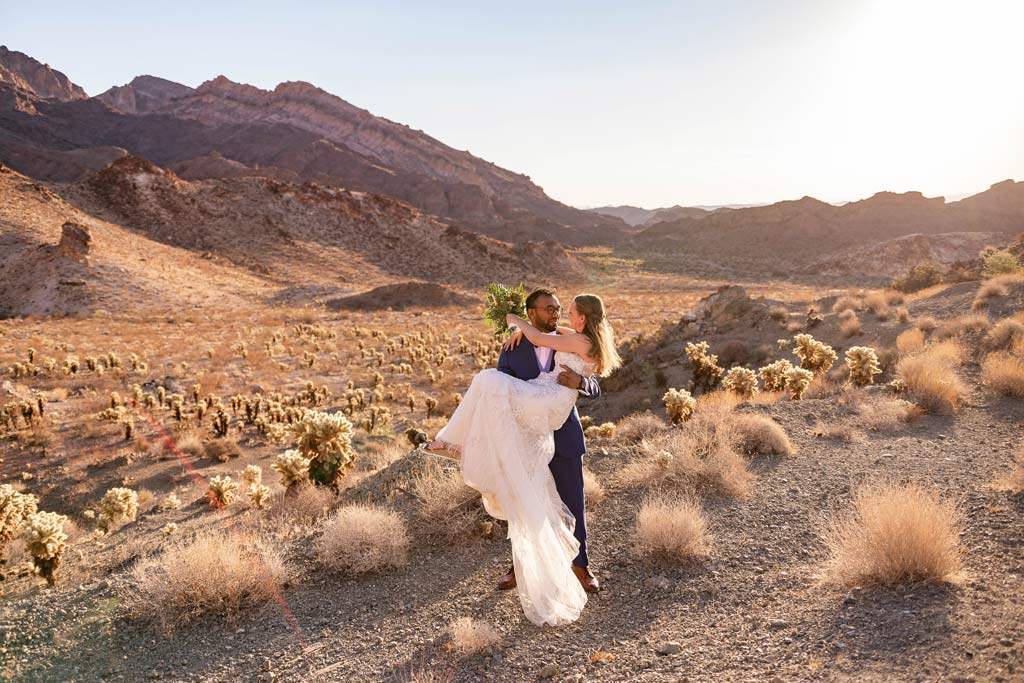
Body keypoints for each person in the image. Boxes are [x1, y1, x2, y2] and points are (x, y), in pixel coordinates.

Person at [423, 291, 620, 627]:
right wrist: (519, 330)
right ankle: (521, 568)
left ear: (579, 317)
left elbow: (597, 384)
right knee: (521, 497)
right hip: (524, 432)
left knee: (573, 503)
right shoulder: (514, 346)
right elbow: (501, 393)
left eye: (562, 309)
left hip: (562, 431)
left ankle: (580, 568)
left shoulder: (570, 339)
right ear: (533, 311)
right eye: (551, 308)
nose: (557, 313)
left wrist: (582, 382)